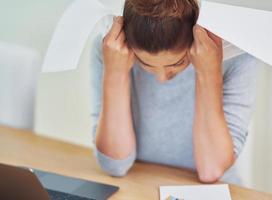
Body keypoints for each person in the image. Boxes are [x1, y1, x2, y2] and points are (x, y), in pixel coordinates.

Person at [90, 0, 259, 184]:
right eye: (145, 63)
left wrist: (209, 72)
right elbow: (115, 165)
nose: (162, 79)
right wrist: (115, 72)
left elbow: (211, 170)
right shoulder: (112, 49)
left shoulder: (239, 56)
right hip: (140, 186)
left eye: (177, 63)